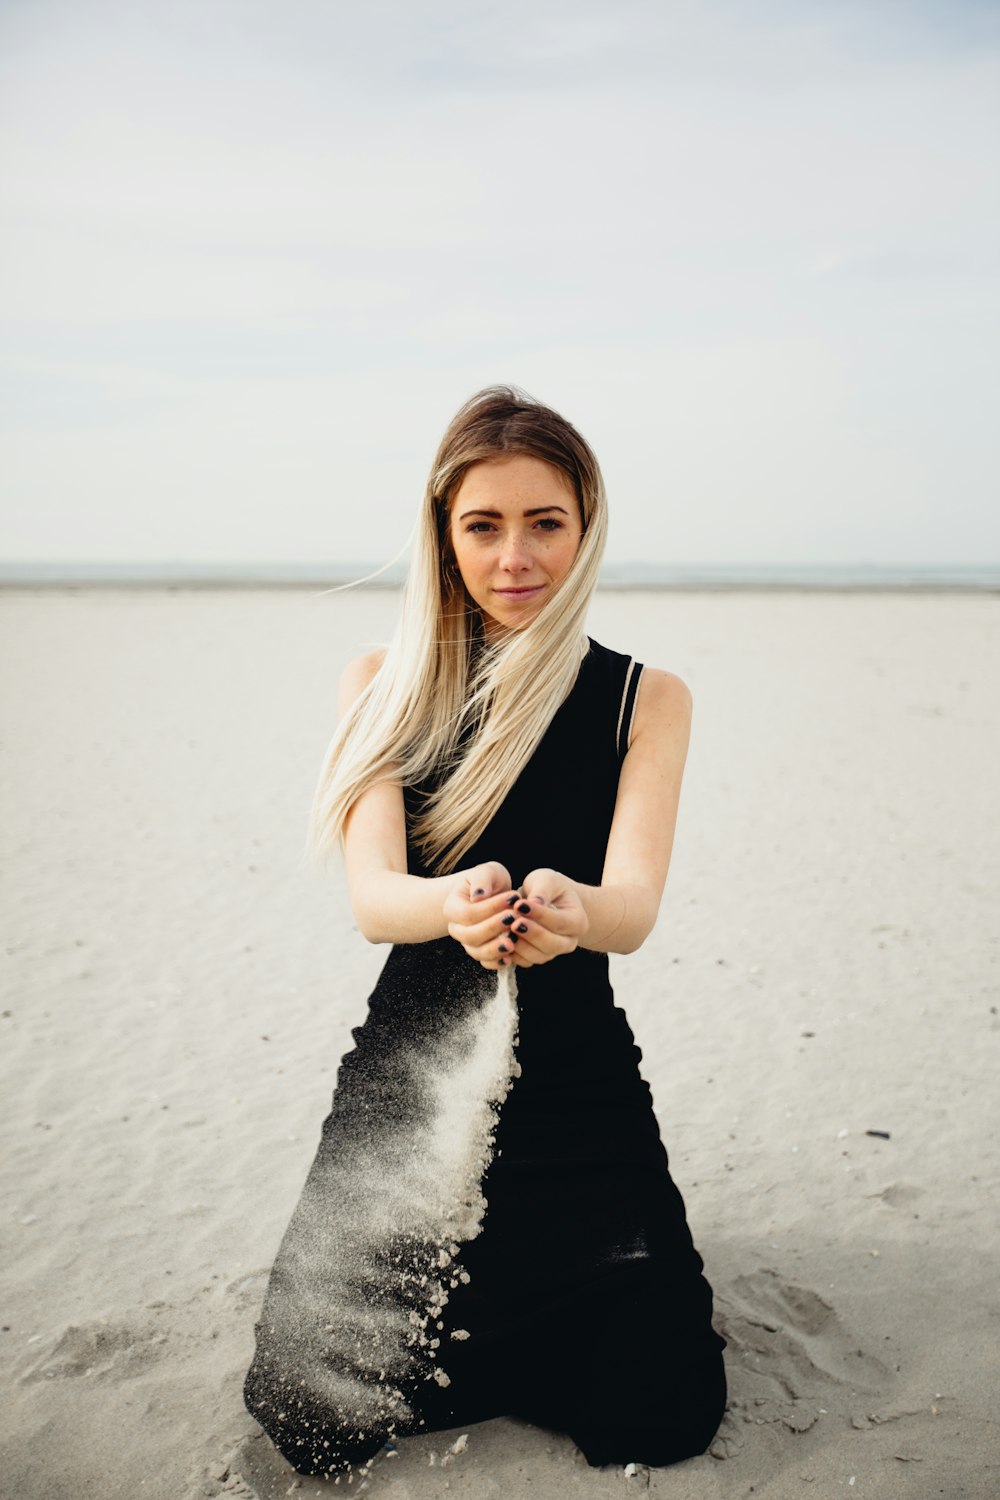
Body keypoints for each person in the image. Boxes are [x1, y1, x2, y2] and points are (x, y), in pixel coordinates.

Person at [244, 386, 727, 1478]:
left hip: (577, 1080)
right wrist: (454, 905)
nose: (516, 556)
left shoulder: (644, 699)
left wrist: (570, 912)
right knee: (305, 1409)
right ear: (442, 530)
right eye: (483, 524)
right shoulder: (383, 683)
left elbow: (633, 909)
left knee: (662, 1415)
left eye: (544, 522)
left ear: (585, 524)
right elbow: (376, 899)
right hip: (413, 1071)